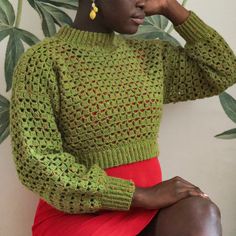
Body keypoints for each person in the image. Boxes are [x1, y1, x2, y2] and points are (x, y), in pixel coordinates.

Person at [9, 0, 236, 235]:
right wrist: (139, 195)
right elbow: (36, 163)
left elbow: (222, 70)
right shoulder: (43, 62)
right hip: (80, 215)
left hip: (150, 209)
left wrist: (170, 7)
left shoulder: (148, 57)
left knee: (202, 212)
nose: (143, 2)